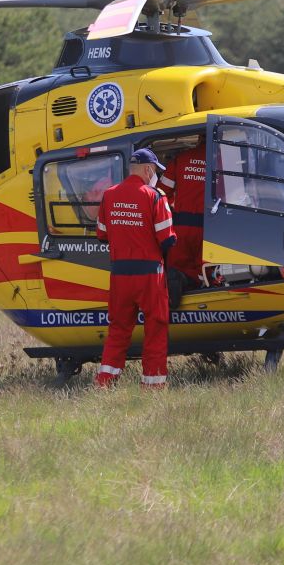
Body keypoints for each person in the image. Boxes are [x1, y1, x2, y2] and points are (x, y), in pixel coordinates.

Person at [94, 147, 177, 389]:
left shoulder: (109, 195)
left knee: (118, 328)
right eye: (155, 171)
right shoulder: (155, 196)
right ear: (148, 169)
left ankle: (106, 381)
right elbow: (168, 239)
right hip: (150, 274)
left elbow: (101, 235)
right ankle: (152, 383)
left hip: (120, 274)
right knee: (155, 326)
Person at [158, 137, 207, 290]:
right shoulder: (222, 160)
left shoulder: (181, 158)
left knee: (176, 270)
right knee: (208, 272)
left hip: (182, 227)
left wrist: (174, 205)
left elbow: (161, 192)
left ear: (199, 139)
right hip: (210, 230)